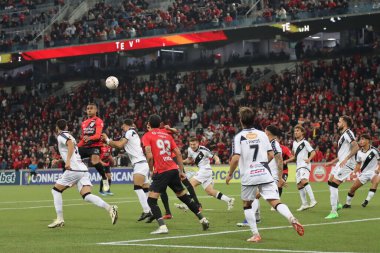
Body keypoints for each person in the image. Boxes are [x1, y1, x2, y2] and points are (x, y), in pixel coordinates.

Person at [227, 107, 304, 242]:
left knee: (247, 204)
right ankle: (292, 218)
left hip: (249, 175)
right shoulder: (262, 135)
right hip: (264, 173)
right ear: (254, 120)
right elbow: (270, 155)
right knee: (275, 201)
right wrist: (261, 164)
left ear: (241, 120)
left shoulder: (238, 137)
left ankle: (256, 234)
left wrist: (229, 174)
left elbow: (235, 158)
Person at [142, 114, 209, 234]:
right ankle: (203, 219)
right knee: (184, 197)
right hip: (173, 169)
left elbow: (149, 155)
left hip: (161, 170)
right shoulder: (166, 135)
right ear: (160, 124)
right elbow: (178, 152)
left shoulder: (147, 135)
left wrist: (151, 170)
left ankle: (162, 227)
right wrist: (181, 171)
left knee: (151, 201)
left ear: (149, 124)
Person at [48, 119, 118, 228]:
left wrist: (66, 162)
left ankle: (59, 219)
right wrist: (59, 161)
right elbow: (74, 154)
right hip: (82, 169)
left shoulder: (62, 136)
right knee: (87, 195)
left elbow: (70, 146)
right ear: (66, 126)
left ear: (57, 127)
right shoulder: (72, 137)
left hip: (74, 169)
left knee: (55, 190)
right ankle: (110, 208)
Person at [102, 119, 152, 222]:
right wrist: (110, 142)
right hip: (143, 163)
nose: (122, 129)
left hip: (139, 164)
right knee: (145, 189)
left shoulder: (129, 132)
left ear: (125, 125)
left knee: (137, 188)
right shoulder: (133, 133)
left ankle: (147, 211)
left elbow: (119, 145)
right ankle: (151, 210)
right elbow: (119, 144)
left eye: (123, 127)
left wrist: (107, 140)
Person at [184, 137, 235, 210]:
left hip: (205, 169)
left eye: (194, 144)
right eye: (191, 144)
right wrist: (180, 161)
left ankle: (188, 204)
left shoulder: (204, 149)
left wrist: (217, 160)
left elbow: (215, 156)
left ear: (198, 143)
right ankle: (229, 200)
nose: (192, 146)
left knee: (191, 184)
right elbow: (189, 160)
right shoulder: (189, 149)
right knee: (210, 191)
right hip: (203, 171)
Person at [325, 116, 359, 219]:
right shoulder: (343, 135)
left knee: (334, 184)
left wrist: (346, 158)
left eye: (339, 122)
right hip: (341, 162)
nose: (337, 124)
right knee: (330, 181)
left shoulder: (348, 133)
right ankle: (338, 204)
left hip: (347, 163)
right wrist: (332, 161)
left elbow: (356, 147)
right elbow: (342, 154)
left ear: (344, 123)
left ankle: (334, 211)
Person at [284, 125, 317, 211]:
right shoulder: (294, 143)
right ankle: (304, 204)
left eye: (298, 131)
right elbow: (294, 156)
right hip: (298, 166)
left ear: (302, 132)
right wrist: (287, 161)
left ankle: (313, 200)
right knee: (299, 185)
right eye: (295, 131)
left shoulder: (305, 142)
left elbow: (313, 152)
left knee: (303, 180)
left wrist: (309, 159)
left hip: (304, 165)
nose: (295, 132)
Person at [78, 103, 109, 192]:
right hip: (85, 146)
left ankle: (104, 177)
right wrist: (76, 147)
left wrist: (89, 138)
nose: (89, 110)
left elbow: (98, 136)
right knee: (73, 157)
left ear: (96, 110)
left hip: (95, 146)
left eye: (91, 108)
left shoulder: (98, 121)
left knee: (95, 161)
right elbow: (83, 139)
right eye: (87, 109)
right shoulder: (84, 123)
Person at [343, 134, 380, 208]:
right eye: (360, 139)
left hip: (374, 171)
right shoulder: (359, 152)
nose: (361, 141)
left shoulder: (374, 150)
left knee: (375, 181)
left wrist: (378, 169)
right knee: (352, 188)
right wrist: (354, 172)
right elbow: (358, 164)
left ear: (367, 140)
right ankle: (348, 204)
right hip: (364, 173)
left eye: (362, 139)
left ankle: (366, 200)